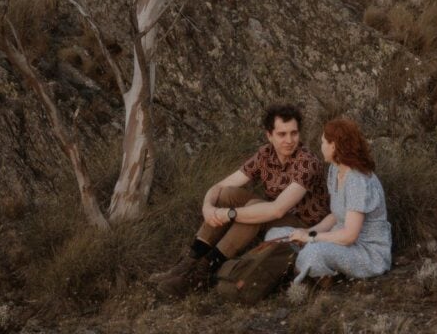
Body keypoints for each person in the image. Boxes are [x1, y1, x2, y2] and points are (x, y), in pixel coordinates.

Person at [151, 104, 329, 296]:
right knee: (226, 194)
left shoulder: (307, 162)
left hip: (303, 224)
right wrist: (207, 207)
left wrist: (230, 214)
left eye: (294, 133)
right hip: (273, 214)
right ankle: (188, 262)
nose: (289, 140)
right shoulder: (265, 154)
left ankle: (204, 272)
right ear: (269, 135)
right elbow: (220, 186)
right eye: (282, 134)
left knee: (255, 207)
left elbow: (277, 210)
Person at [267, 118, 391, 283]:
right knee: (275, 235)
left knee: (312, 252)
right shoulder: (335, 169)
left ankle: (315, 275)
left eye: (323, 142)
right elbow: (335, 215)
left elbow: (349, 236)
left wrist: (312, 238)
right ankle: (311, 270)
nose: (321, 146)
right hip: (337, 239)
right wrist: (308, 232)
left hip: (365, 252)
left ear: (333, 146)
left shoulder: (357, 180)